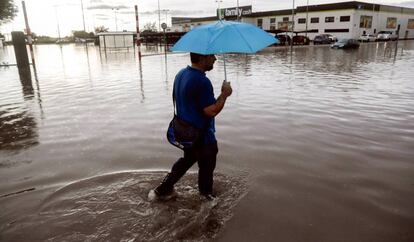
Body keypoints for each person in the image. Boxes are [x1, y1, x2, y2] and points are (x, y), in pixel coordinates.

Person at [149, 52, 232, 201]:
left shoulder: (181, 74)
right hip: (202, 136)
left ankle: (162, 190)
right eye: (211, 56)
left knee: (188, 159)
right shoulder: (201, 81)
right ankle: (206, 202)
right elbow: (210, 111)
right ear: (202, 58)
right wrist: (224, 94)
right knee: (206, 170)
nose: (215, 59)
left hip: (185, 133)